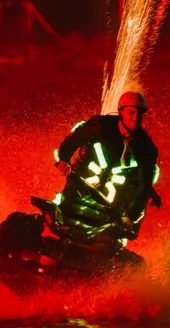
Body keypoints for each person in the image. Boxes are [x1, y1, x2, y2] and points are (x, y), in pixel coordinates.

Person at [54, 91, 161, 242]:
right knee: (59, 214)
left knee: (113, 238)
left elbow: (144, 186)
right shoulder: (100, 126)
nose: (135, 118)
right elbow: (72, 142)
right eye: (131, 112)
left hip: (113, 204)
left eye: (140, 114)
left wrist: (130, 216)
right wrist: (64, 160)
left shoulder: (146, 148)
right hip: (80, 186)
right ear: (121, 112)